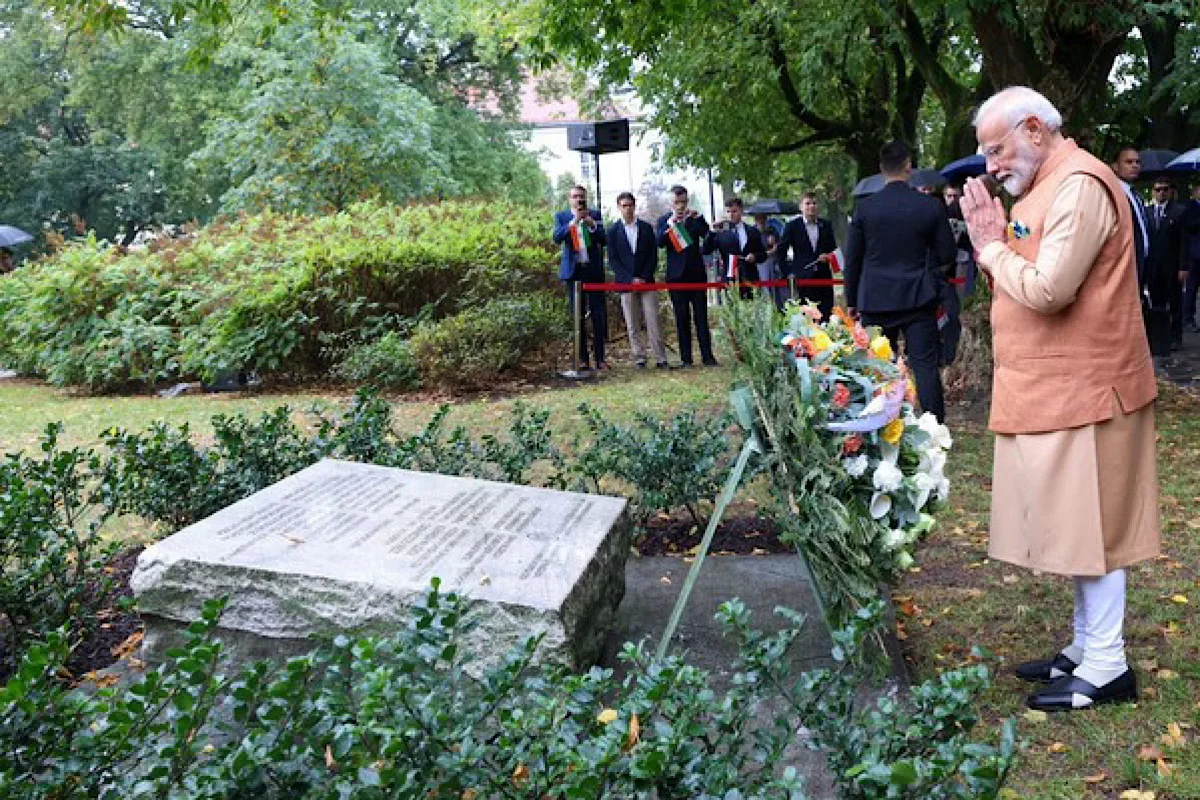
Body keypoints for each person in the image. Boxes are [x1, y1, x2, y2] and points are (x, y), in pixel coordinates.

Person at [960, 86, 1159, 713]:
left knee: (1094, 529)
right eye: (986, 154)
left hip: (1091, 391)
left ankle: (1108, 666)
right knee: (1077, 529)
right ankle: (1084, 647)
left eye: (997, 149)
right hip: (1055, 389)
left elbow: (1049, 288)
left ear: (1035, 130)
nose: (990, 165)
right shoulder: (1046, 185)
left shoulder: (1080, 184)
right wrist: (996, 242)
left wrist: (989, 247)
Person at [843, 141, 955, 422]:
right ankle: (933, 427)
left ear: (881, 169)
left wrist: (852, 300)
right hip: (918, 296)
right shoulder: (930, 206)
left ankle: (876, 426)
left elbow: (853, 260)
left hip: (875, 298)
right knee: (925, 366)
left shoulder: (865, 210)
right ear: (909, 167)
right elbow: (947, 254)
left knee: (876, 368)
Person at [608, 191, 668, 369]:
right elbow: (613, 259)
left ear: (634, 206)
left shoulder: (647, 228)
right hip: (626, 284)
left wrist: (643, 277)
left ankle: (660, 358)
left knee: (653, 320)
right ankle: (639, 357)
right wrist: (629, 279)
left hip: (646, 281)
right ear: (619, 207)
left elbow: (652, 256)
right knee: (632, 323)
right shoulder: (612, 231)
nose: (627, 209)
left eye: (630, 205)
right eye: (624, 206)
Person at [656, 185, 716, 367]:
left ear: (687, 201)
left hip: (696, 275)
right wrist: (672, 223)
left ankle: (708, 356)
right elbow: (659, 242)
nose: (680, 206)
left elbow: (708, 239)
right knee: (681, 318)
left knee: (701, 318)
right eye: (676, 202)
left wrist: (703, 221)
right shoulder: (664, 221)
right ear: (671, 203)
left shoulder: (695, 219)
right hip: (676, 277)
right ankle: (686, 359)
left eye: (683, 202)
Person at [552, 185, 608, 370]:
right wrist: (574, 221)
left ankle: (600, 358)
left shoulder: (596, 215)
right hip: (573, 273)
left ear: (586, 198)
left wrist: (591, 224)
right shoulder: (562, 217)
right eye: (575, 197)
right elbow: (557, 237)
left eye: (581, 197)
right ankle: (583, 359)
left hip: (593, 272)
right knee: (578, 317)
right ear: (570, 199)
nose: (578, 200)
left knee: (598, 316)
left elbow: (604, 239)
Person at [776, 192, 838, 319]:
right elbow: (781, 252)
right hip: (803, 277)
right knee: (806, 315)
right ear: (801, 207)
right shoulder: (792, 226)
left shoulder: (825, 225)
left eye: (814, 203)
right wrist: (788, 273)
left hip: (823, 276)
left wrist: (827, 257)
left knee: (826, 313)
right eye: (808, 203)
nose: (811, 206)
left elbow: (833, 249)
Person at [1146, 178, 1190, 348]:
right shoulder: (1147, 211)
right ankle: (1159, 336)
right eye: (1158, 189)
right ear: (1153, 191)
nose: (1161, 193)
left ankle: (1176, 337)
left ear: (1170, 191)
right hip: (1153, 265)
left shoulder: (1179, 211)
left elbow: (1183, 241)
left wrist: (1183, 266)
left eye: (1165, 189)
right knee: (1157, 303)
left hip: (1172, 265)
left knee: (1175, 302)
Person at [704, 197, 767, 300]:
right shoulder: (720, 232)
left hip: (750, 279)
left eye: (734, 211)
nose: (731, 215)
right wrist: (711, 232)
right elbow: (706, 250)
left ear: (741, 211)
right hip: (729, 280)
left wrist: (754, 256)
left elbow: (763, 255)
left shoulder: (752, 231)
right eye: (728, 211)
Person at [1111, 147, 1150, 290]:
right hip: (1125, 266)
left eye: (1137, 162)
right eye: (1129, 162)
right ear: (1115, 166)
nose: (1135, 166)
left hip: (1141, 265)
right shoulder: (1114, 193)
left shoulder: (1136, 196)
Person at [753, 212, 784, 306]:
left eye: (763, 218)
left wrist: (774, 243)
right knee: (763, 286)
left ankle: (776, 306)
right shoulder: (753, 231)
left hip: (772, 262)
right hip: (759, 263)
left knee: (773, 287)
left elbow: (779, 247)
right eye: (759, 218)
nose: (761, 220)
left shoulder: (772, 230)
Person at [1184, 183, 1200, 332]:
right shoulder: (1190, 206)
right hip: (1195, 254)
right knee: (1192, 286)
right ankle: (1188, 317)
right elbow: (1189, 226)